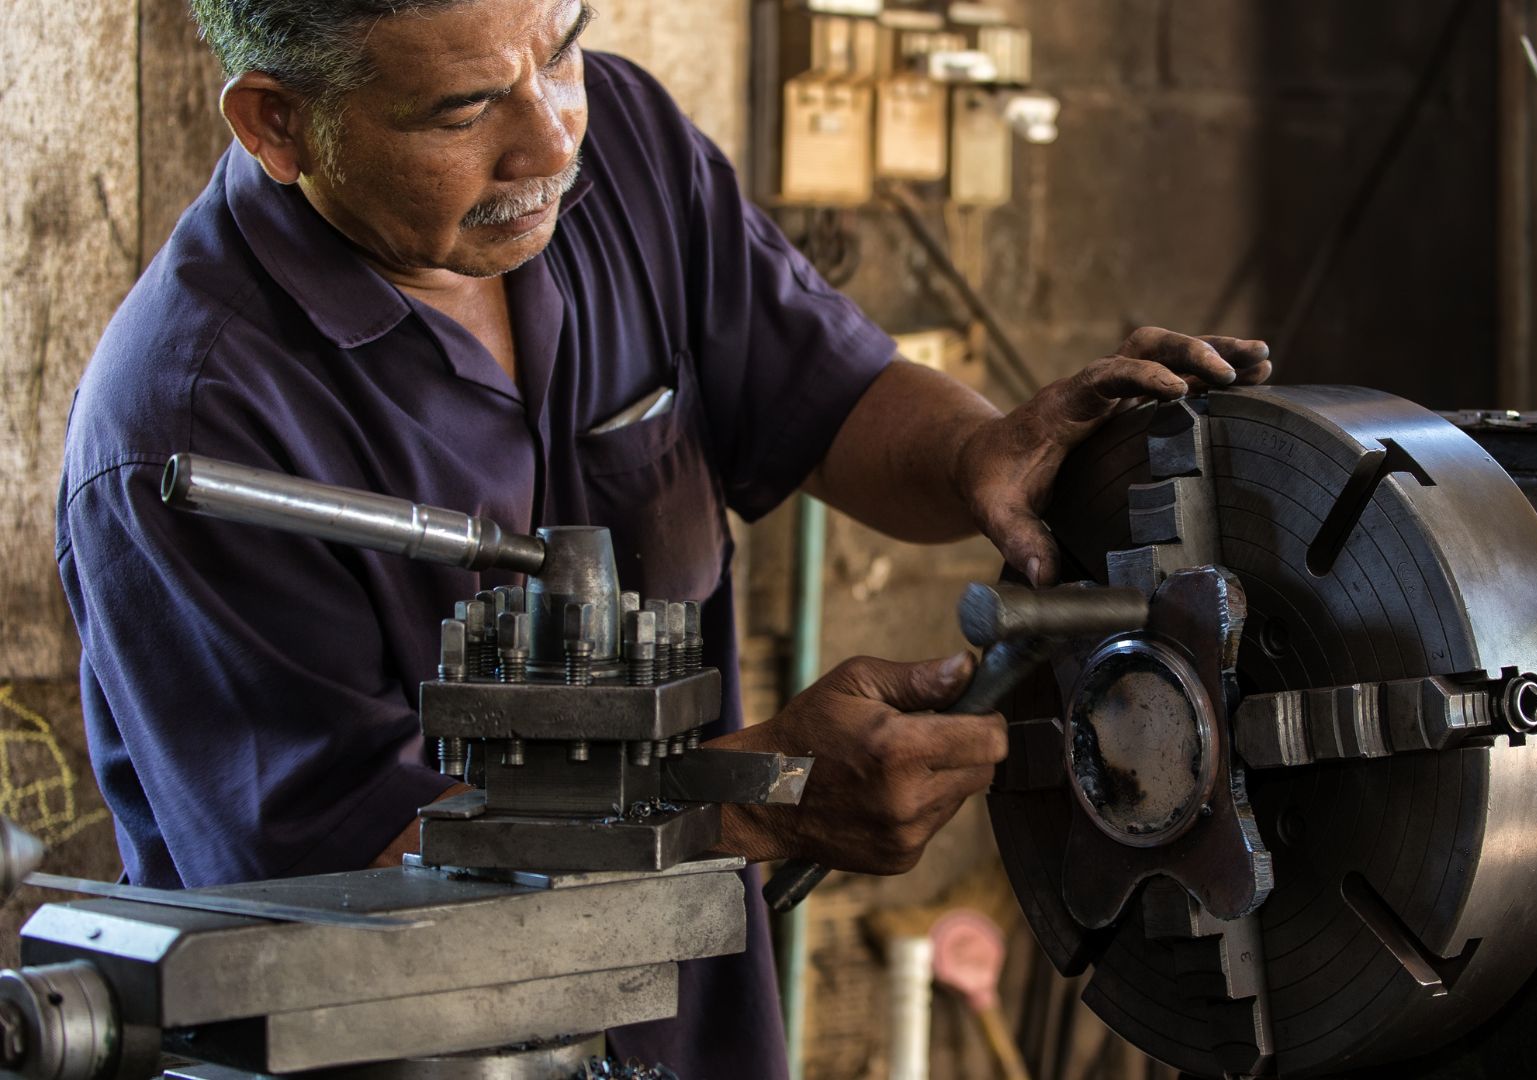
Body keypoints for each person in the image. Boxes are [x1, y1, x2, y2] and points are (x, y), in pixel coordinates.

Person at [54, 0, 1272, 1074]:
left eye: (565, 47)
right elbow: (349, 899)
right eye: (463, 108)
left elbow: (830, 400)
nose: (548, 141)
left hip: (692, 1030)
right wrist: (750, 800)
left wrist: (979, 451)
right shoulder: (189, 429)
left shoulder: (622, 147)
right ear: (277, 123)